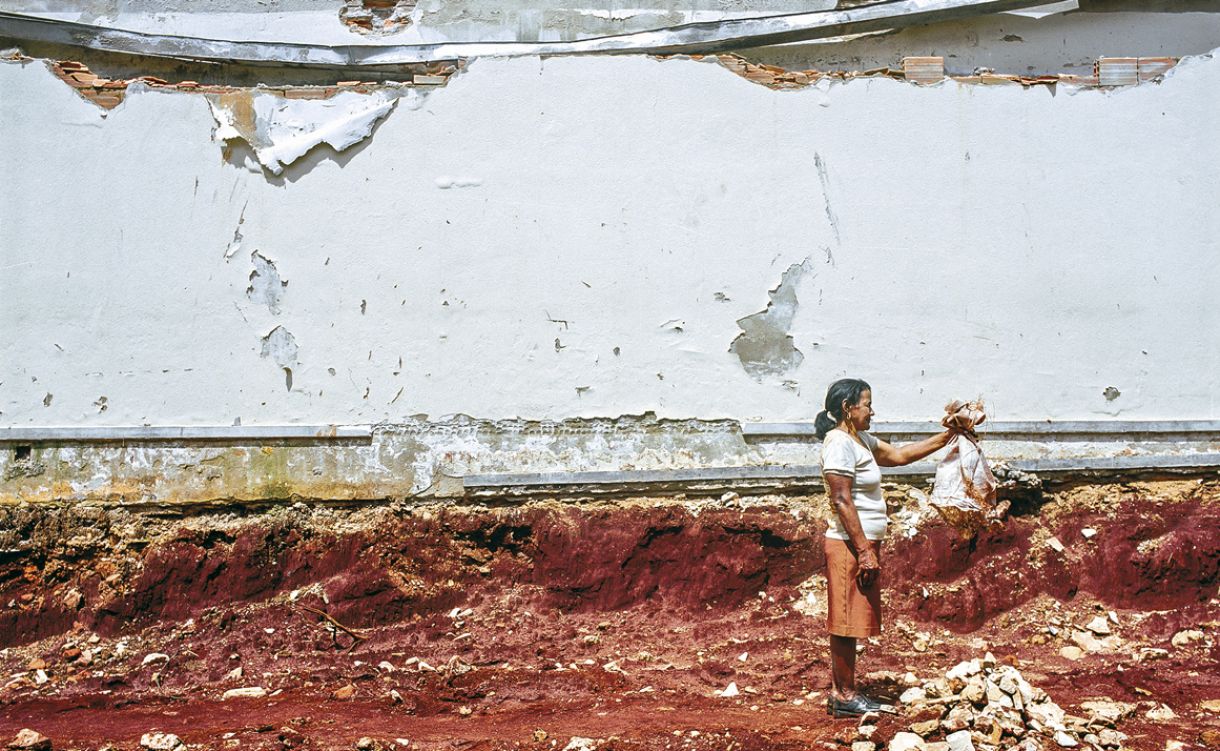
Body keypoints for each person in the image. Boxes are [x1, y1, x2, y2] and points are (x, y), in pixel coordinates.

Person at [816, 378, 956, 717]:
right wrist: (864, 550)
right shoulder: (838, 442)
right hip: (849, 544)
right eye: (867, 404)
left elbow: (901, 454)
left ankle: (846, 692)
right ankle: (844, 695)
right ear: (848, 408)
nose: (872, 410)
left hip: (861, 543)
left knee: (853, 618)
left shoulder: (860, 439)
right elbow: (841, 499)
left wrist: (950, 435)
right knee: (845, 620)